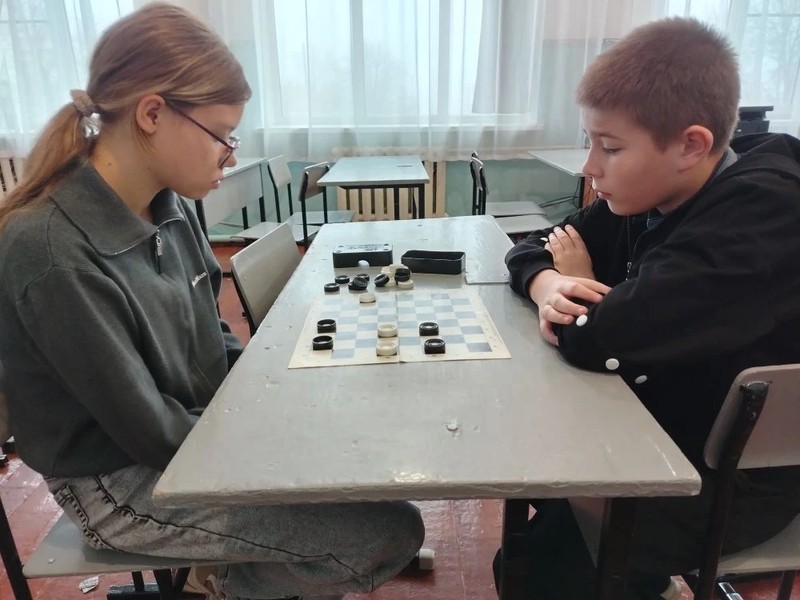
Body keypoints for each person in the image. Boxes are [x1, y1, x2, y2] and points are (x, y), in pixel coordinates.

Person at [0, 4, 424, 600]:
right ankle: (229, 584)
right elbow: (148, 432)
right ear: (152, 113)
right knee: (384, 531)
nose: (230, 154)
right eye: (221, 136)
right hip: (116, 482)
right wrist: (280, 453)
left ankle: (231, 573)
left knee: (359, 470)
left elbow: (214, 334)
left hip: (188, 432)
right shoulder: (51, 250)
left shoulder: (168, 204)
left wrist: (281, 411)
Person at [498, 16, 800, 600]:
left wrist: (586, 286)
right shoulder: (652, 190)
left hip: (733, 480)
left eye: (610, 147)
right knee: (527, 487)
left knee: (534, 573)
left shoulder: (762, 217)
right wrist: (549, 284)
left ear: (691, 145)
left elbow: (598, 339)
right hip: (654, 426)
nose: (589, 167)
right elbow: (535, 246)